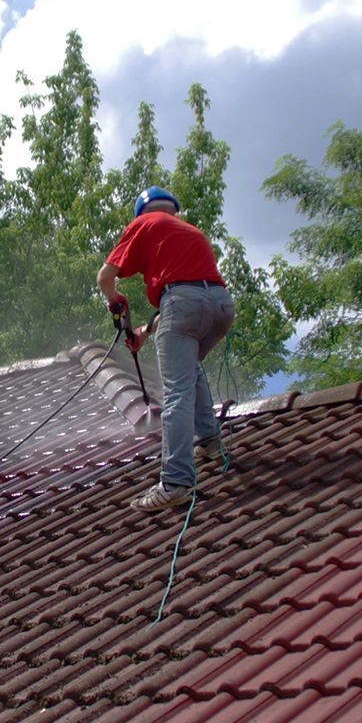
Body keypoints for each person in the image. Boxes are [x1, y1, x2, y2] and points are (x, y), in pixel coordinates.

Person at [98, 186, 236, 512]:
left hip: (182, 305)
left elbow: (105, 277)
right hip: (220, 307)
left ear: (141, 213)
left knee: (177, 392)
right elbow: (189, 299)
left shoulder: (144, 224)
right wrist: (143, 332)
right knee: (190, 369)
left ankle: (175, 481)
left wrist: (115, 301)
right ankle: (210, 441)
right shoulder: (191, 233)